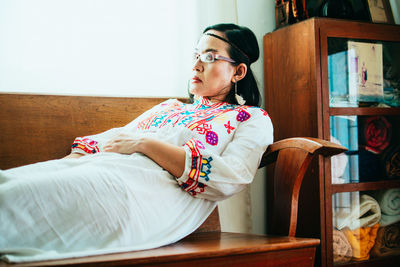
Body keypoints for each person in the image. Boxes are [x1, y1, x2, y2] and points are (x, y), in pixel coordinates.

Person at [0, 23, 273, 263]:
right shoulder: (170, 108)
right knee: (17, 183)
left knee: (19, 200)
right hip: (104, 170)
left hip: (143, 196)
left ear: (238, 72)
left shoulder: (250, 118)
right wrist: (62, 167)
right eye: (196, 55)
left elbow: (231, 176)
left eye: (210, 57)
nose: (196, 65)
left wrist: (146, 144)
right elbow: (113, 138)